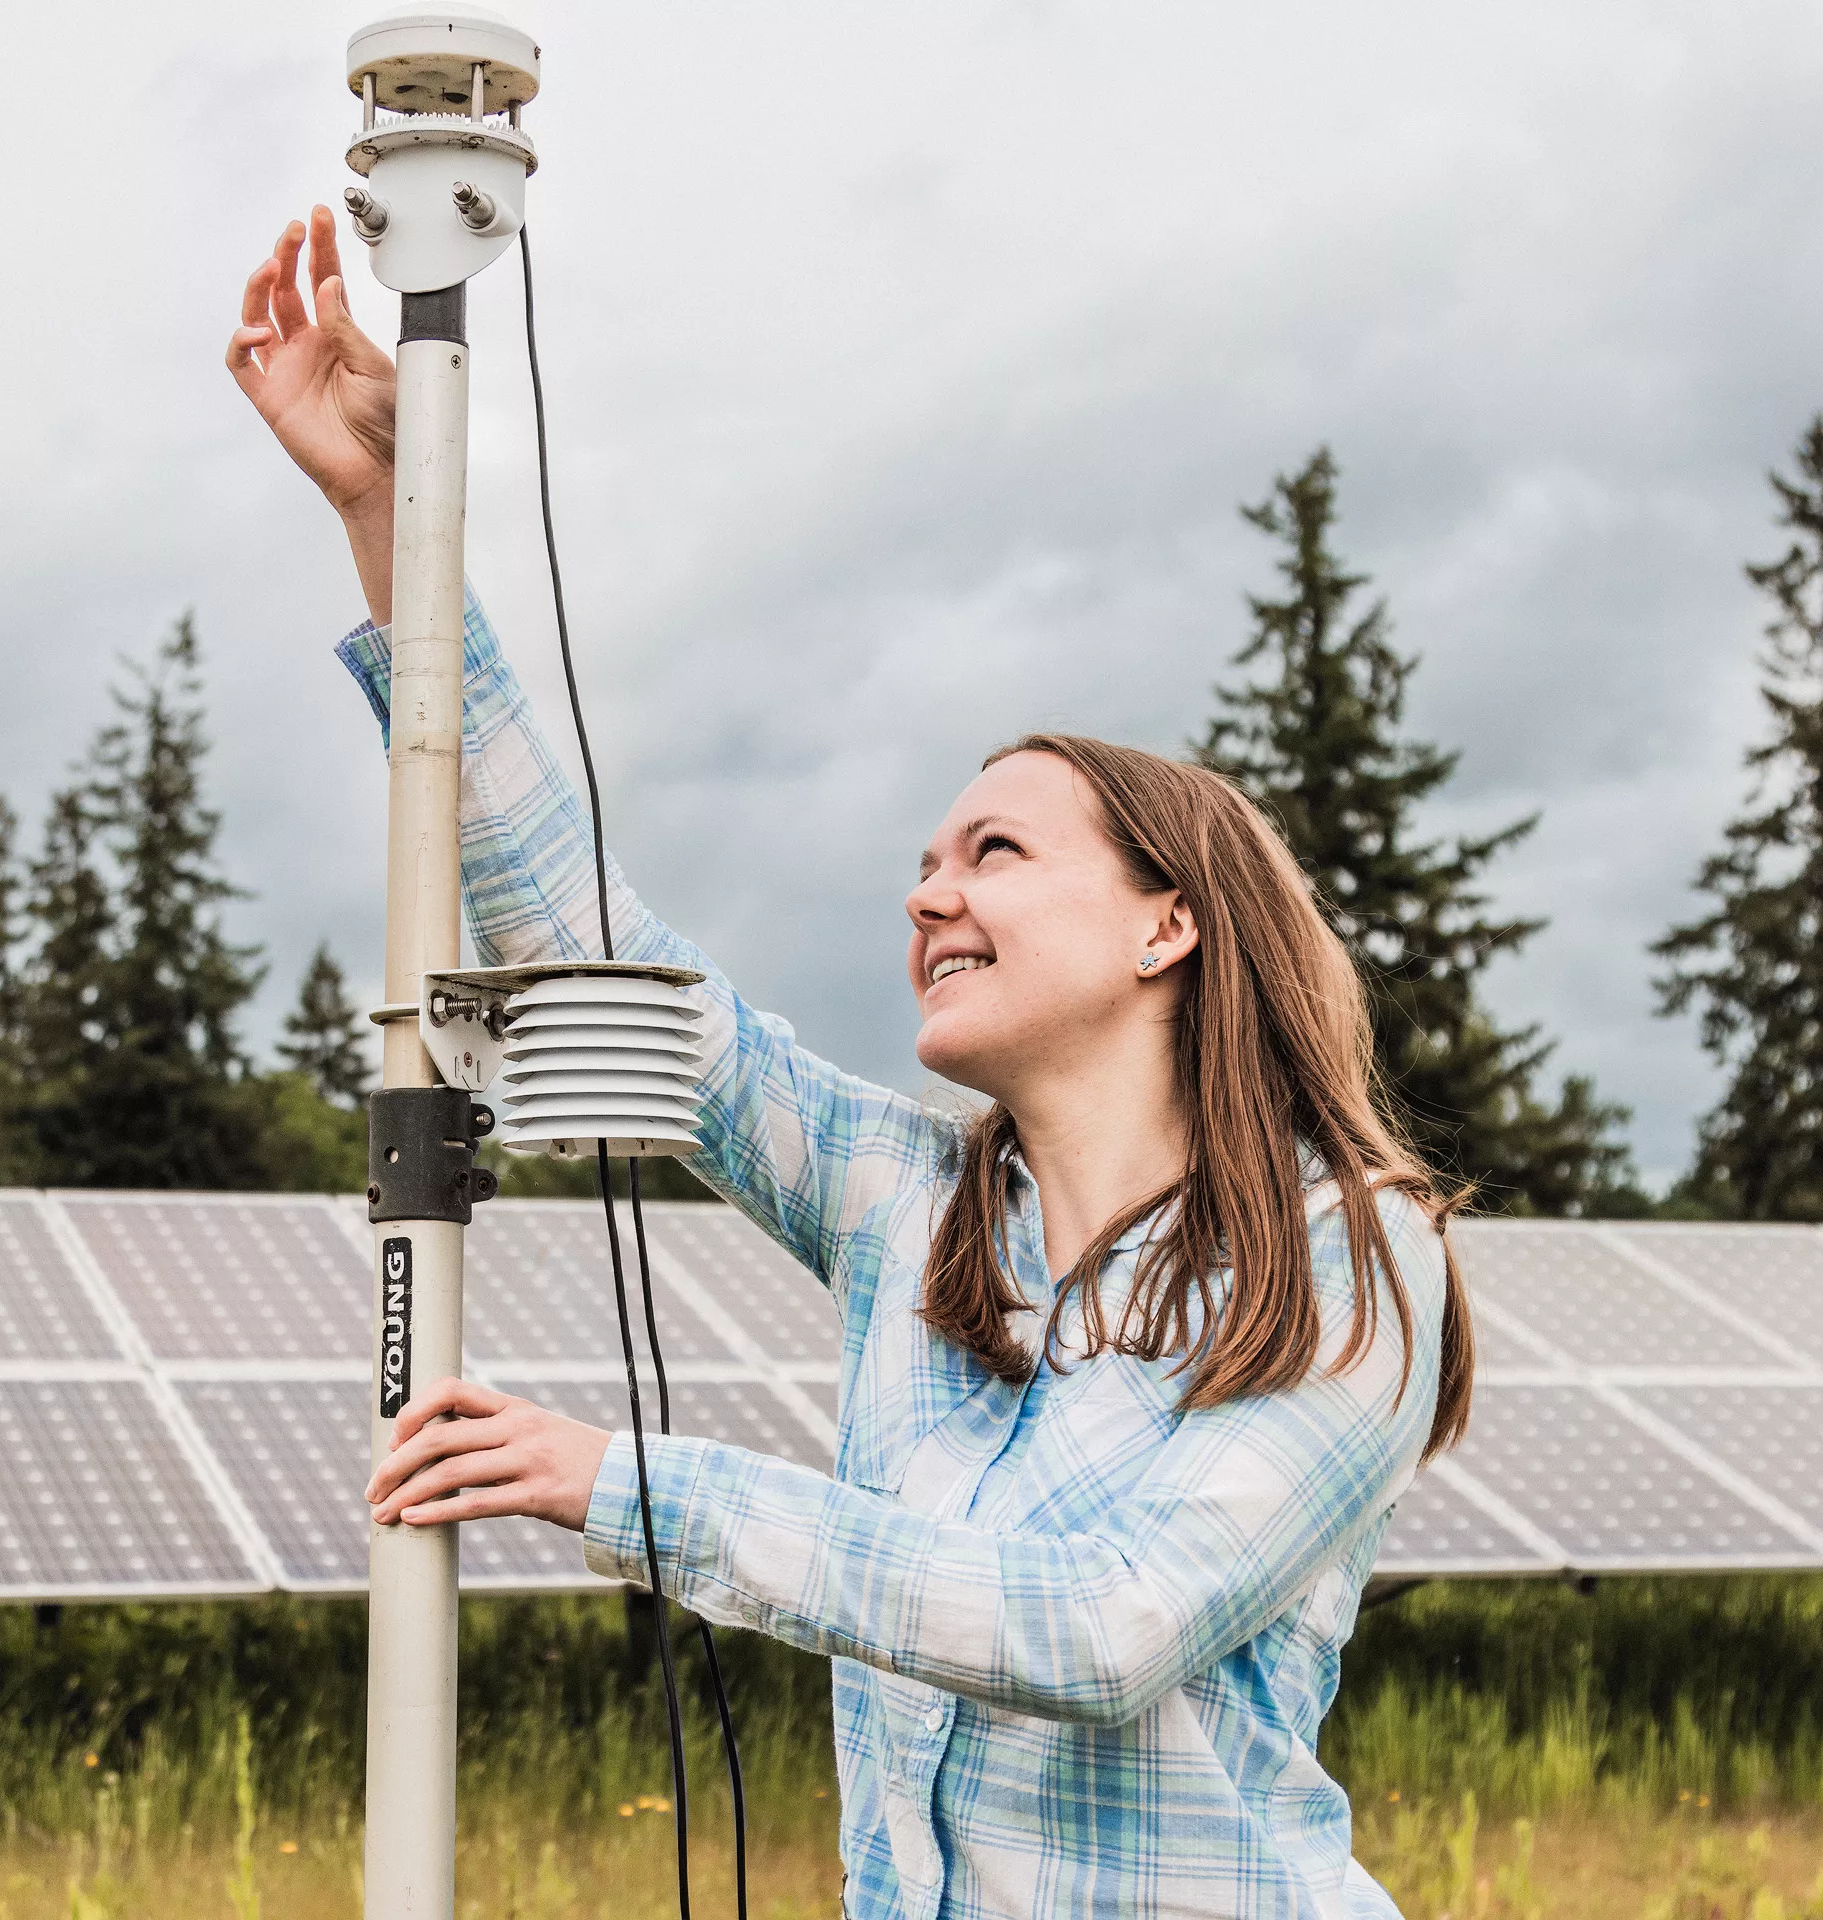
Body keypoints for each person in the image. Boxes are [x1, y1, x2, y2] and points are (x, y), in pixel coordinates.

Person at [229, 206, 1476, 1920]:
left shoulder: (1344, 1256)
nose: (928, 891)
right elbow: (589, 946)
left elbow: (1100, 1624)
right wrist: (392, 517)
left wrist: (629, 1484)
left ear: (1166, 926)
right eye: (925, 861)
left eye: (995, 854)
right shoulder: (914, 1209)